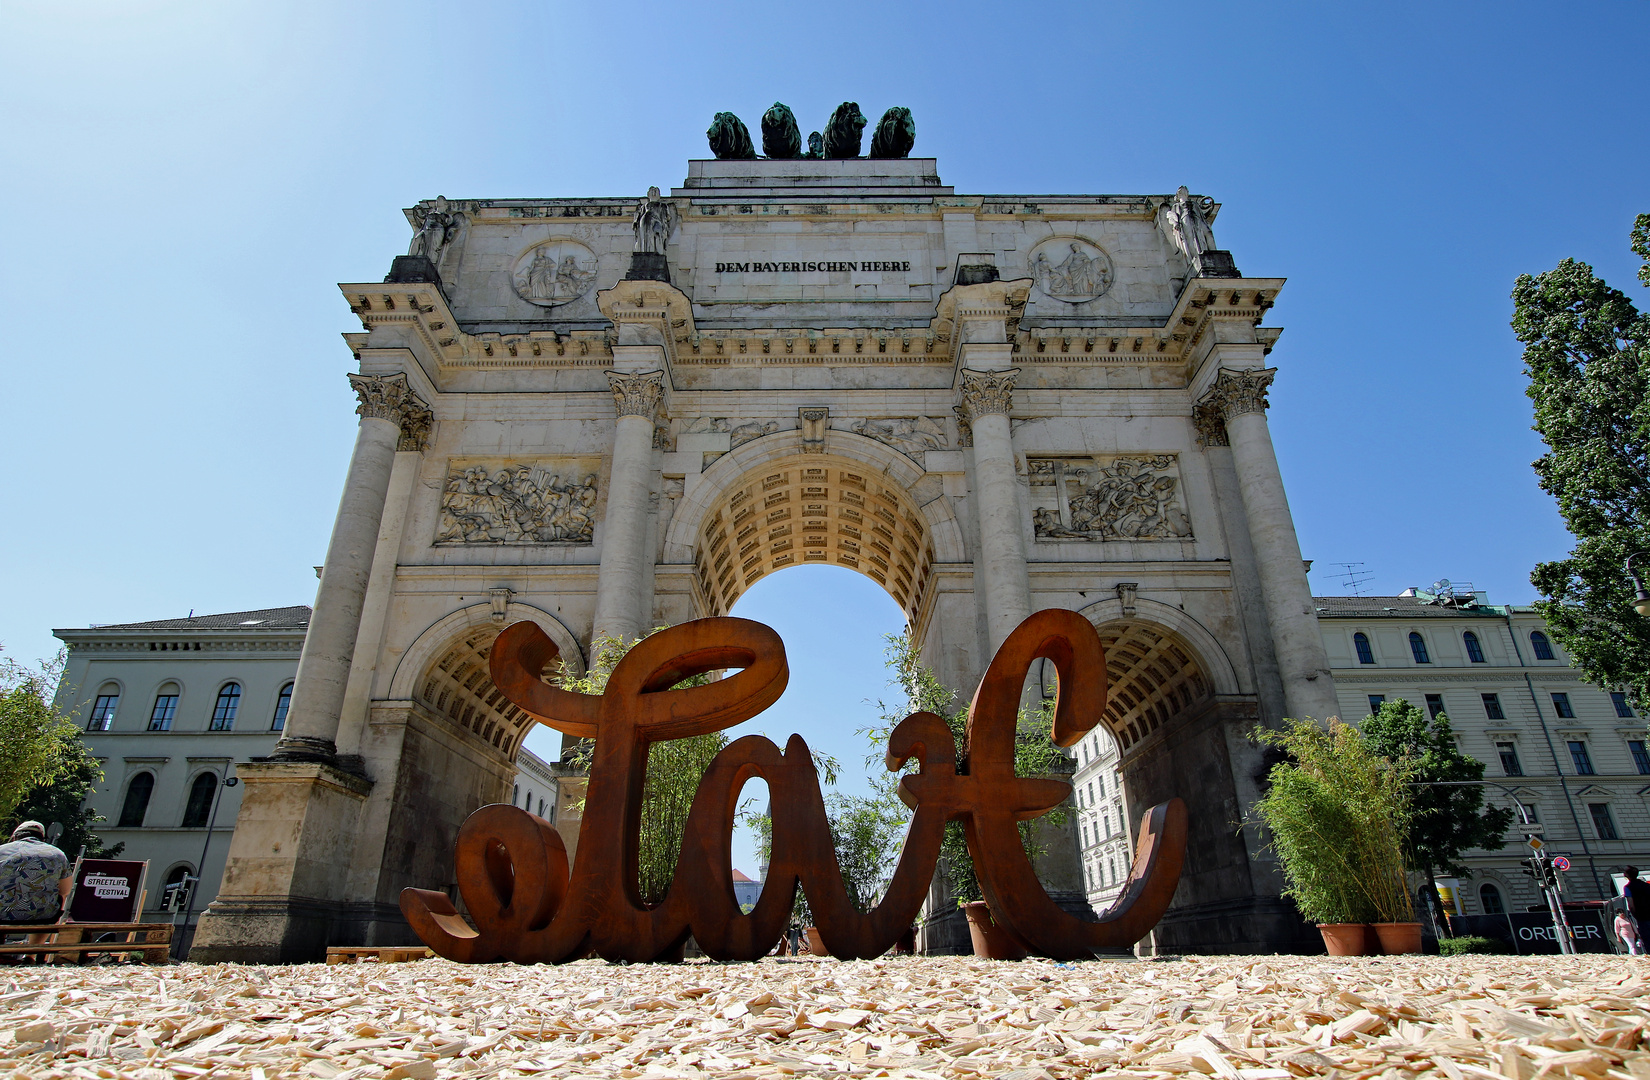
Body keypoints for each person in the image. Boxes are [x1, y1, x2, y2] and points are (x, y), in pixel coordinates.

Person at [0, 822, 73, 951]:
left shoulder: (2, 850)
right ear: (42, 838)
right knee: (59, 898)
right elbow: (66, 890)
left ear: (15, 836)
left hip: (2, 913)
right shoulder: (57, 854)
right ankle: (31, 954)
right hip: (42, 916)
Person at [1623, 867, 1650, 948]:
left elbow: (1631, 904)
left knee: (1647, 938)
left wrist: (1635, 915)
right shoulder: (1647, 886)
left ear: (1627, 875)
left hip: (1642, 915)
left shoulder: (1628, 887)